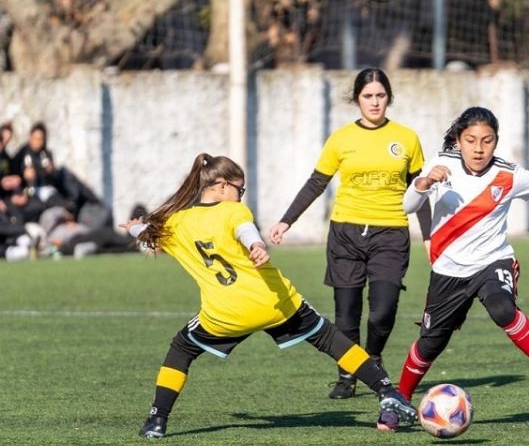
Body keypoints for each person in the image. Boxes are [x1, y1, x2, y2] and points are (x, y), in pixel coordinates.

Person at [121, 153, 417, 438]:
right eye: (241, 188)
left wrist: (135, 229)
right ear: (223, 185)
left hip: (224, 315)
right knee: (328, 337)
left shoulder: (177, 222)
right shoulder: (234, 210)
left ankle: (156, 421)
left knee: (181, 350)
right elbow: (245, 229)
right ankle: (388, 393)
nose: (241, 195)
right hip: (274, 302)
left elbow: (149, 239)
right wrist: (257, 245)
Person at [396, 107, 529, 403]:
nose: (478, 149)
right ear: (458, 140)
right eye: (471, 140)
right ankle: (399, 400)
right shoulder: (440, 163)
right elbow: (408, 206)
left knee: (502, 309)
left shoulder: (509, 174)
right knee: (430, 344)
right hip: (448, 270)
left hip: (493, 261)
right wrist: (423, 184)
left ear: (496, 141)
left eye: (486, 141)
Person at [269, 68, 431, 399]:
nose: (374, 102)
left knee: (383, 311)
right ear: (357, 99)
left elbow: (421, 191)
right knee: (346, 314)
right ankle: (346, 374)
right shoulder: (341, 139)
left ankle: (371, 357)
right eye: (367, 96)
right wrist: (287, 221)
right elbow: (317, 182)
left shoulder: (407, 139)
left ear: (389, 97)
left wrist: (430, 237)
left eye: (380, 96)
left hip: (391, 234)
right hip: (345, 232)